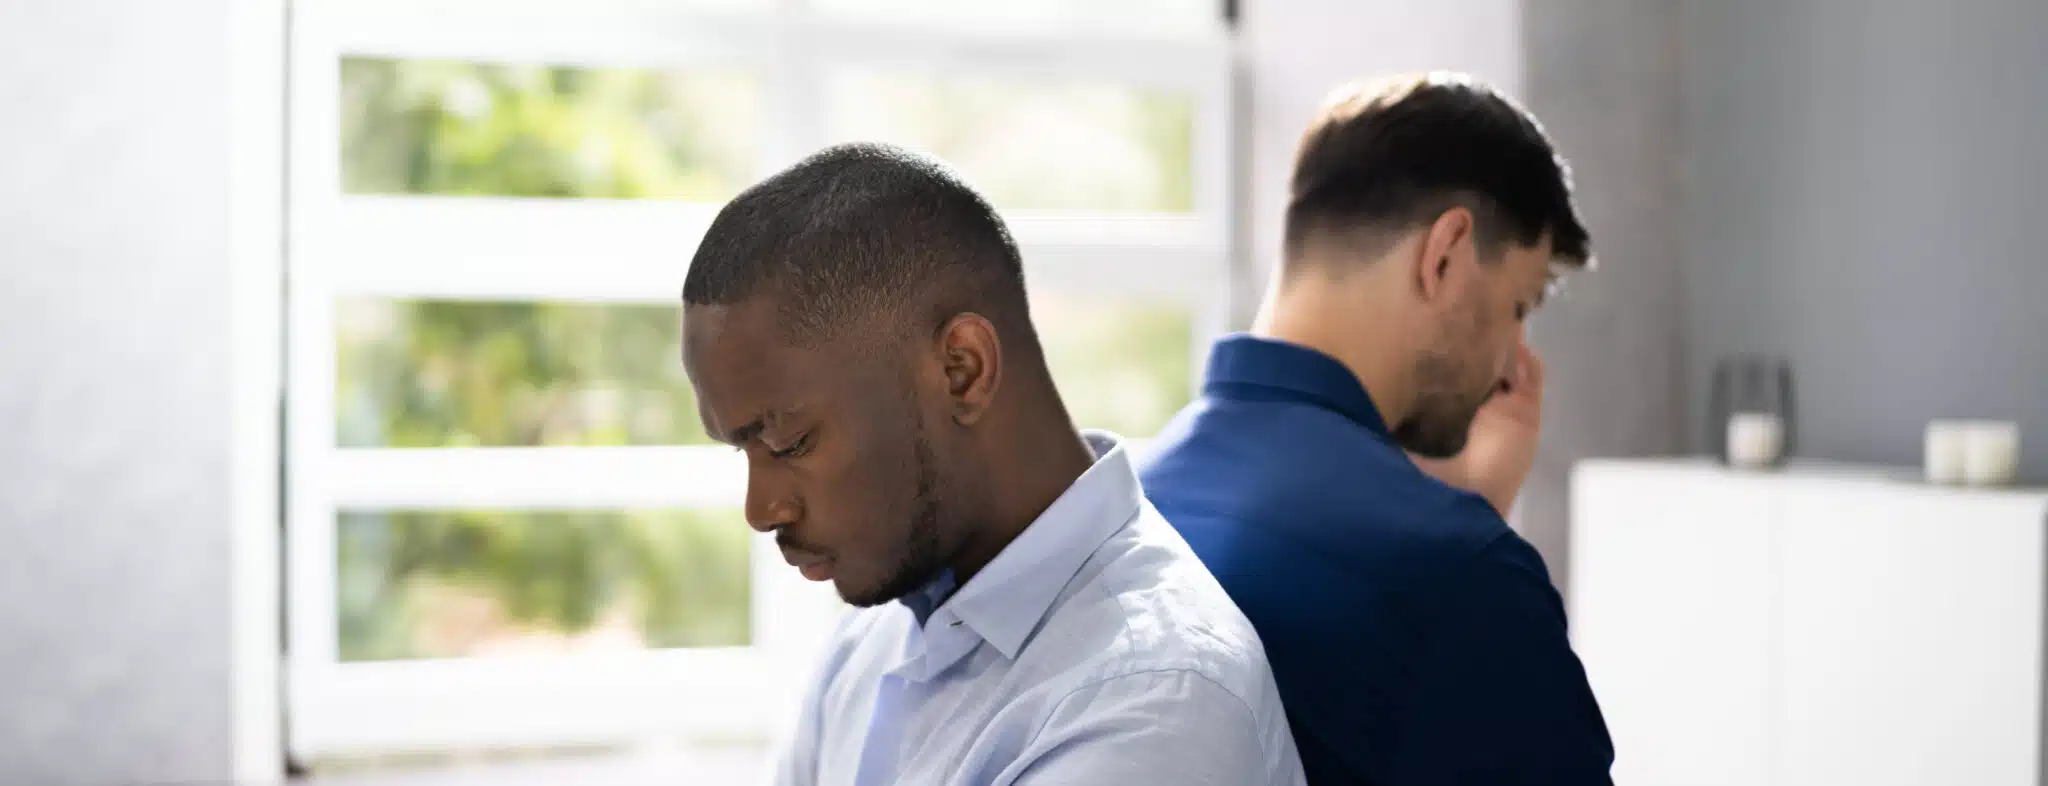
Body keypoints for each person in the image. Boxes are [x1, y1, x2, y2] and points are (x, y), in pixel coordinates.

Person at [680, 142, 1305, 786]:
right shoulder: (867, 651)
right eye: (742, 450)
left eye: (790, 444)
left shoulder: (1155, 704)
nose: (762, 510)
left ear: (961, 371)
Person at [1139, 72, 1614, 785]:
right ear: (1447, 256)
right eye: (1519, 305)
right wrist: (1473, 540)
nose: (1516, 360)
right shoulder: (1463, 578)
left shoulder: (1125, 504)